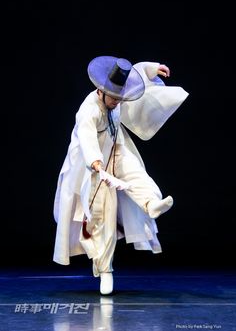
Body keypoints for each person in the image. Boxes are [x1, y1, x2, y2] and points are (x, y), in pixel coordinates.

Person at [53, 55, 189, 295]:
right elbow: (86, 139)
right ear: (101, 90)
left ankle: (151, 203)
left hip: (115, 147)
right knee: (102, 214)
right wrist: (97, 167)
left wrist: (151, 69)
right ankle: (105, 270)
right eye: (114, 98)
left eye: (120, 98)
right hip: (90, 165)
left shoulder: (115, 98)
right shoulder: (88, 110)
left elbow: (135, 74)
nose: (117, 102)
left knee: (136, 171)